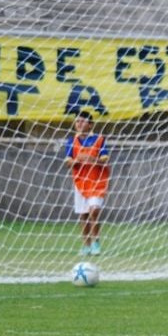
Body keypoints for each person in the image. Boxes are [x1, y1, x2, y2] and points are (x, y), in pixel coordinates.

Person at [64, 110, 110, 256]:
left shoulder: (99, 140)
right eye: (77, 121)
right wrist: (77, 160)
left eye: (83, 121)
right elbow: (68, 161)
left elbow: (105, 158)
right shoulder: (71, 141)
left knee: (94, 210)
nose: (79, 123)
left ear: (90, 125)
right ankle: (86, 245)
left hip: (97, 181)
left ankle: (96, 242)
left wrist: (93, 160)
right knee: (83, 215)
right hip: (80, 182)